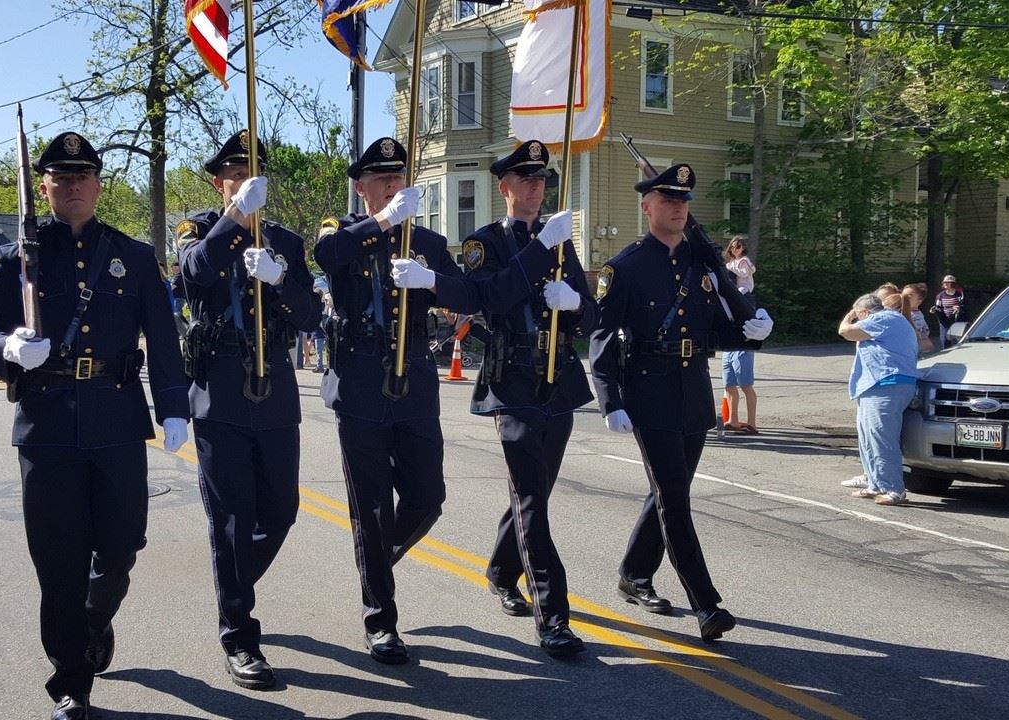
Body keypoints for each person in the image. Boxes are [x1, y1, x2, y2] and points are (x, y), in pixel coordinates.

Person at [0, 131, 189, 720]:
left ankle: (91, 621)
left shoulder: (133, 255)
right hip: (47, 425)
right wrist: (8, 349)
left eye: (82, 176)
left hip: (117, 419)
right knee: (59, 561)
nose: (72, 187)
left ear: (98, 185)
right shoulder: (18, 257)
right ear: (43, 188)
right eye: (60, 178)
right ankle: (71, 679)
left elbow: (162, 337)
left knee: (121, 547)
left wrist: (173, 404)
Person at [589, 163, 774, 642]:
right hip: (648, 390)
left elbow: (716, 329)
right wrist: (609, 399)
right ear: (646, 206)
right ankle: (706, 604)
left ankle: (634, 573)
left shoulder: (701, 262)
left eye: (683, 201)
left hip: (693, 389)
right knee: (674, 498)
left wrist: (752, 333)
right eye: (667, 199)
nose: (677, 207)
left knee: (668, 490)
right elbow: (603, 337)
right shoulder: (626, 267)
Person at [314, 136, 477, 664]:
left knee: (428, 497)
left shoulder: (427, 240)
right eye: (380, 178)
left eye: (397, 177)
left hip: (415, 382)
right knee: (372, 507)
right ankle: (381, 620)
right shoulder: (342, 230)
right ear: (361, 187)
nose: (391, 184)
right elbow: (326, 257)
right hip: (360, 382)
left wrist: (433, 279)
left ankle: (377, 561)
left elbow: (465, 295)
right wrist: (384, 222)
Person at [174, 131, 322, 690]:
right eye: (234, 175)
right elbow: (193, 273)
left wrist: (279, 278)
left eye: (252, 174)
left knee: (281, 511)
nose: (243, 182)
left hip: (275, 387)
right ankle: (238, 633)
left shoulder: (285, 240)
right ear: (220, 182)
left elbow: (310, 316)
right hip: (220, 389)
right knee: (232, 519)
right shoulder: (197, 229)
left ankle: (232, 586)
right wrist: (235, 219)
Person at [451, 140, 597, 657]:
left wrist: (574, 302)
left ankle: (499, 568)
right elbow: (489, 298)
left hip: (557, 380)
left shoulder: (559, 241)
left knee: (535, 493)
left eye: (541, 180)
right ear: (504, 187)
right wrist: (540, 251)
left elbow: (592, 316)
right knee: (532, 498)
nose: (536, 187)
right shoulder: (484, 242)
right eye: (525, 179)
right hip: (511, 382)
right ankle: (553, 618)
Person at [838, 292, 919, 506]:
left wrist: (849, 316)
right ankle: (875, 484)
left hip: (887, 385)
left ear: (864, 312)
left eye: (858, 315)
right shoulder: (888, 320)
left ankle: (894, 489)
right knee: (868, 439)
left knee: (882, 439)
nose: (857, 320)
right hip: (874, 386)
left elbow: (845, 331)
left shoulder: (883, 318)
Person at [721, 236, 757, 433]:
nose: (737, 248)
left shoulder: (742, 263)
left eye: (740, 246)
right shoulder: (729, 266)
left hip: (743, 343)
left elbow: (746, 272)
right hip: (730, 344)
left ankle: (752, 423)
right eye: (735, 246)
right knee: (729, 385)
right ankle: (732, 420)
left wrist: (731, 269)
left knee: (745, 384)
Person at [931, 274, 966, 348]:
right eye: (944, 282)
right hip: (945, 321)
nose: (945, 284)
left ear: (952, 284)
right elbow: (938, 307)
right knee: (945, 341)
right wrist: (935, 310)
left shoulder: (959, 294)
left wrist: (959, 308)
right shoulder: (940, 296)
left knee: (957, 341)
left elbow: (965, 305)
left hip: (957, 321)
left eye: (947, 282)